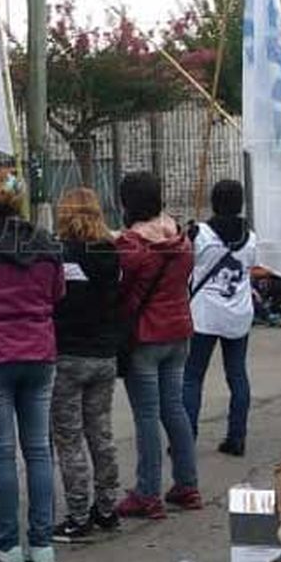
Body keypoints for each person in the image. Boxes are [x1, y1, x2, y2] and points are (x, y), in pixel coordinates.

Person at [0, 168, 64, 562]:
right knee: (39, 450)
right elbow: (58, 293)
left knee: (2, 454)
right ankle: (42, 543)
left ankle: (6, 545)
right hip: (39, 349)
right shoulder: (47, 244)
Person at [115, 170, 201, 518]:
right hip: (179, 331)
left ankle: (147, 492)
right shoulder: (181, 239)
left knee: (147, 416)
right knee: (174, 409)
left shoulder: (130, 245)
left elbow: (121, 289)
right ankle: (187, 484)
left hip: (146, 336)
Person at [49, 188, 123, 543]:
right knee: (101, 432)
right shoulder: (112, 254)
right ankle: (107, 506)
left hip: (68, 355)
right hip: (105, 355)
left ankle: (78, 514)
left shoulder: (63, 257)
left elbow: (57, 304)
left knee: (69, 438)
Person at [183, 179, 258, 457]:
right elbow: (251, 265)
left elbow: (184, 263)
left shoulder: (199, 233)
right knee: (237, 374)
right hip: (238, 313)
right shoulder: (250, 237)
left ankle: (186, 436)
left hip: (204, 314)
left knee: (192, 377)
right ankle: (237, 436)